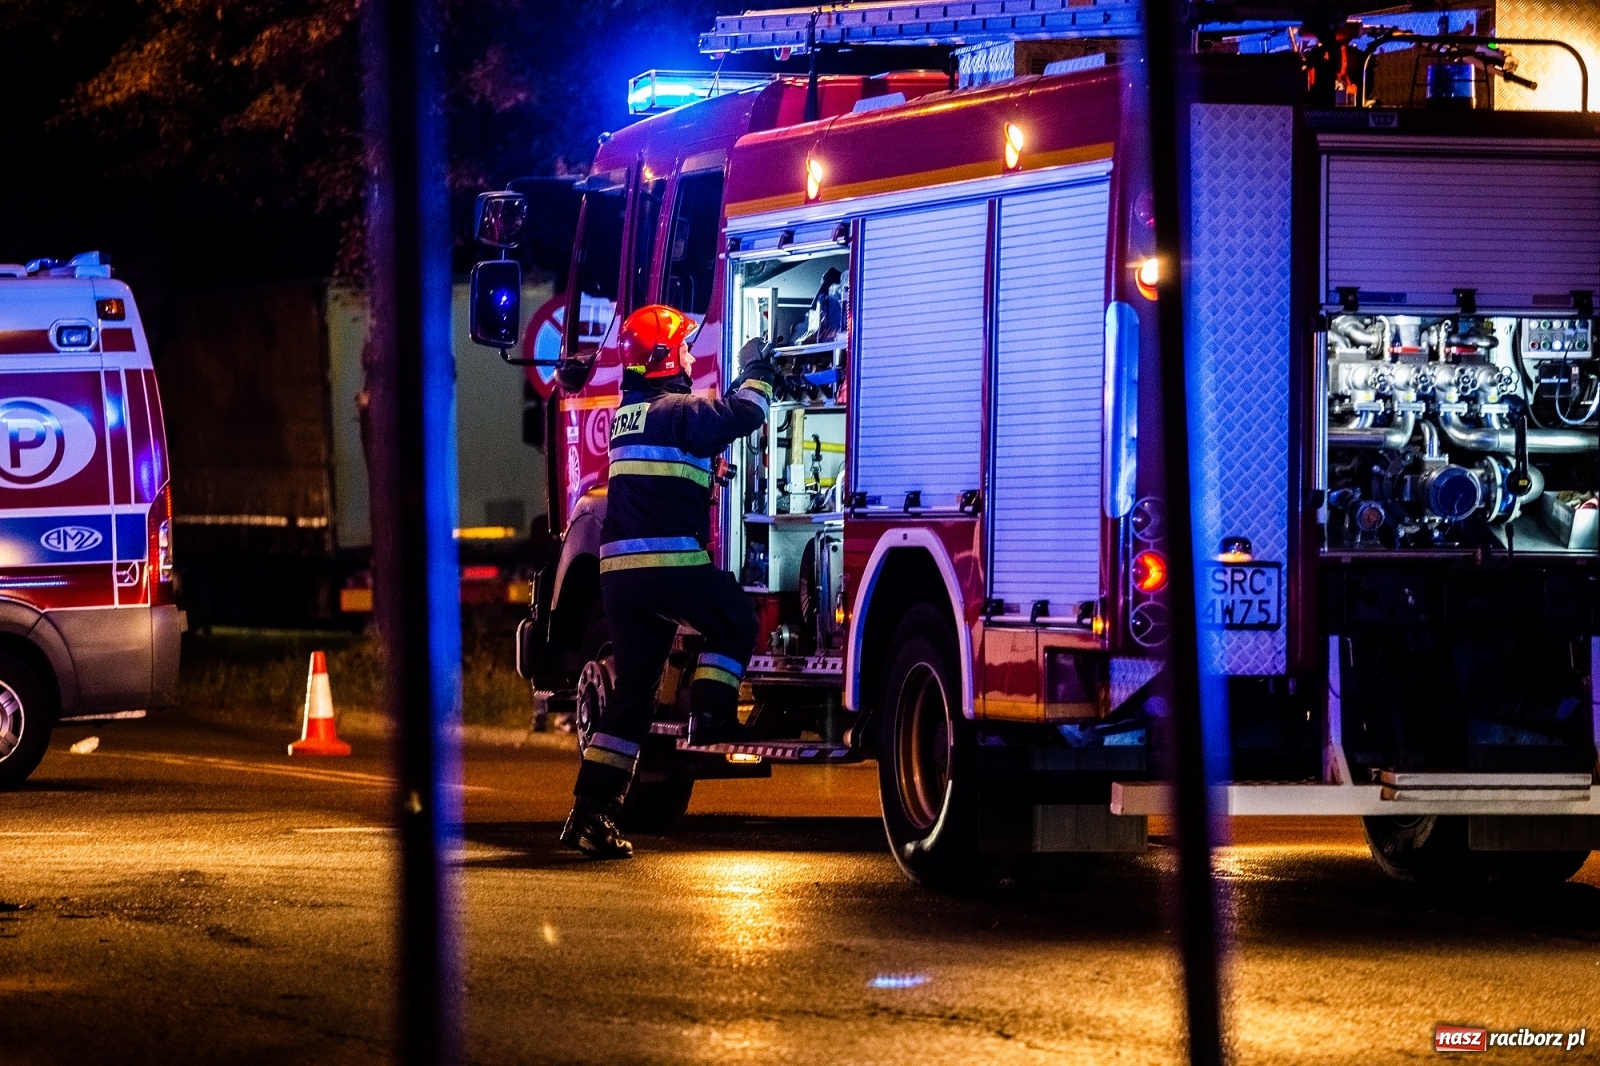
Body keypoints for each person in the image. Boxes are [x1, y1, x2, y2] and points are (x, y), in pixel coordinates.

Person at [560, 304, 775, 859]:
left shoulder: (632, 415)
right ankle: (711, 715)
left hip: (620, 581)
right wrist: (758, 369)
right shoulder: (679, 409)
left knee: (632, 697)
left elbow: (663, 471)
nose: (689, 357)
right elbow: (744, 412)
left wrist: (708, 472)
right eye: (681, 348)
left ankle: (590, 813)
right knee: (735, 619)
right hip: (669, 567)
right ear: (662, 360)